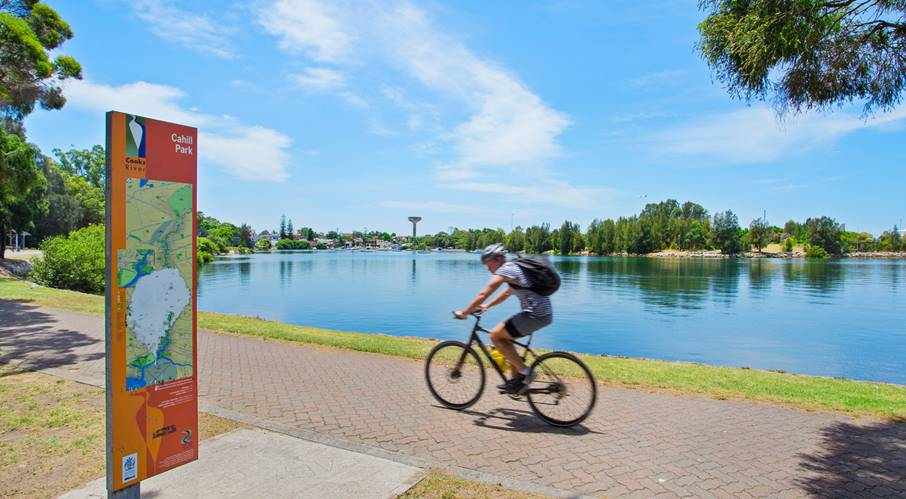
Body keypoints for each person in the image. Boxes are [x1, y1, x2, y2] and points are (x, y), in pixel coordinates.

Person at [454, 243, 553, 394]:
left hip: (535, 315)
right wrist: (488, 306)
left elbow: (484, 293)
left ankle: (527, 373)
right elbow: (507, 293)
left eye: (488, 264)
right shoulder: (514, 268)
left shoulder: (506, 269)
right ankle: (515, 382)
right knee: (505, 339)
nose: (488, 269)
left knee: (495, 335)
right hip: (542, 314)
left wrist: (465, 312)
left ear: (498, 259)